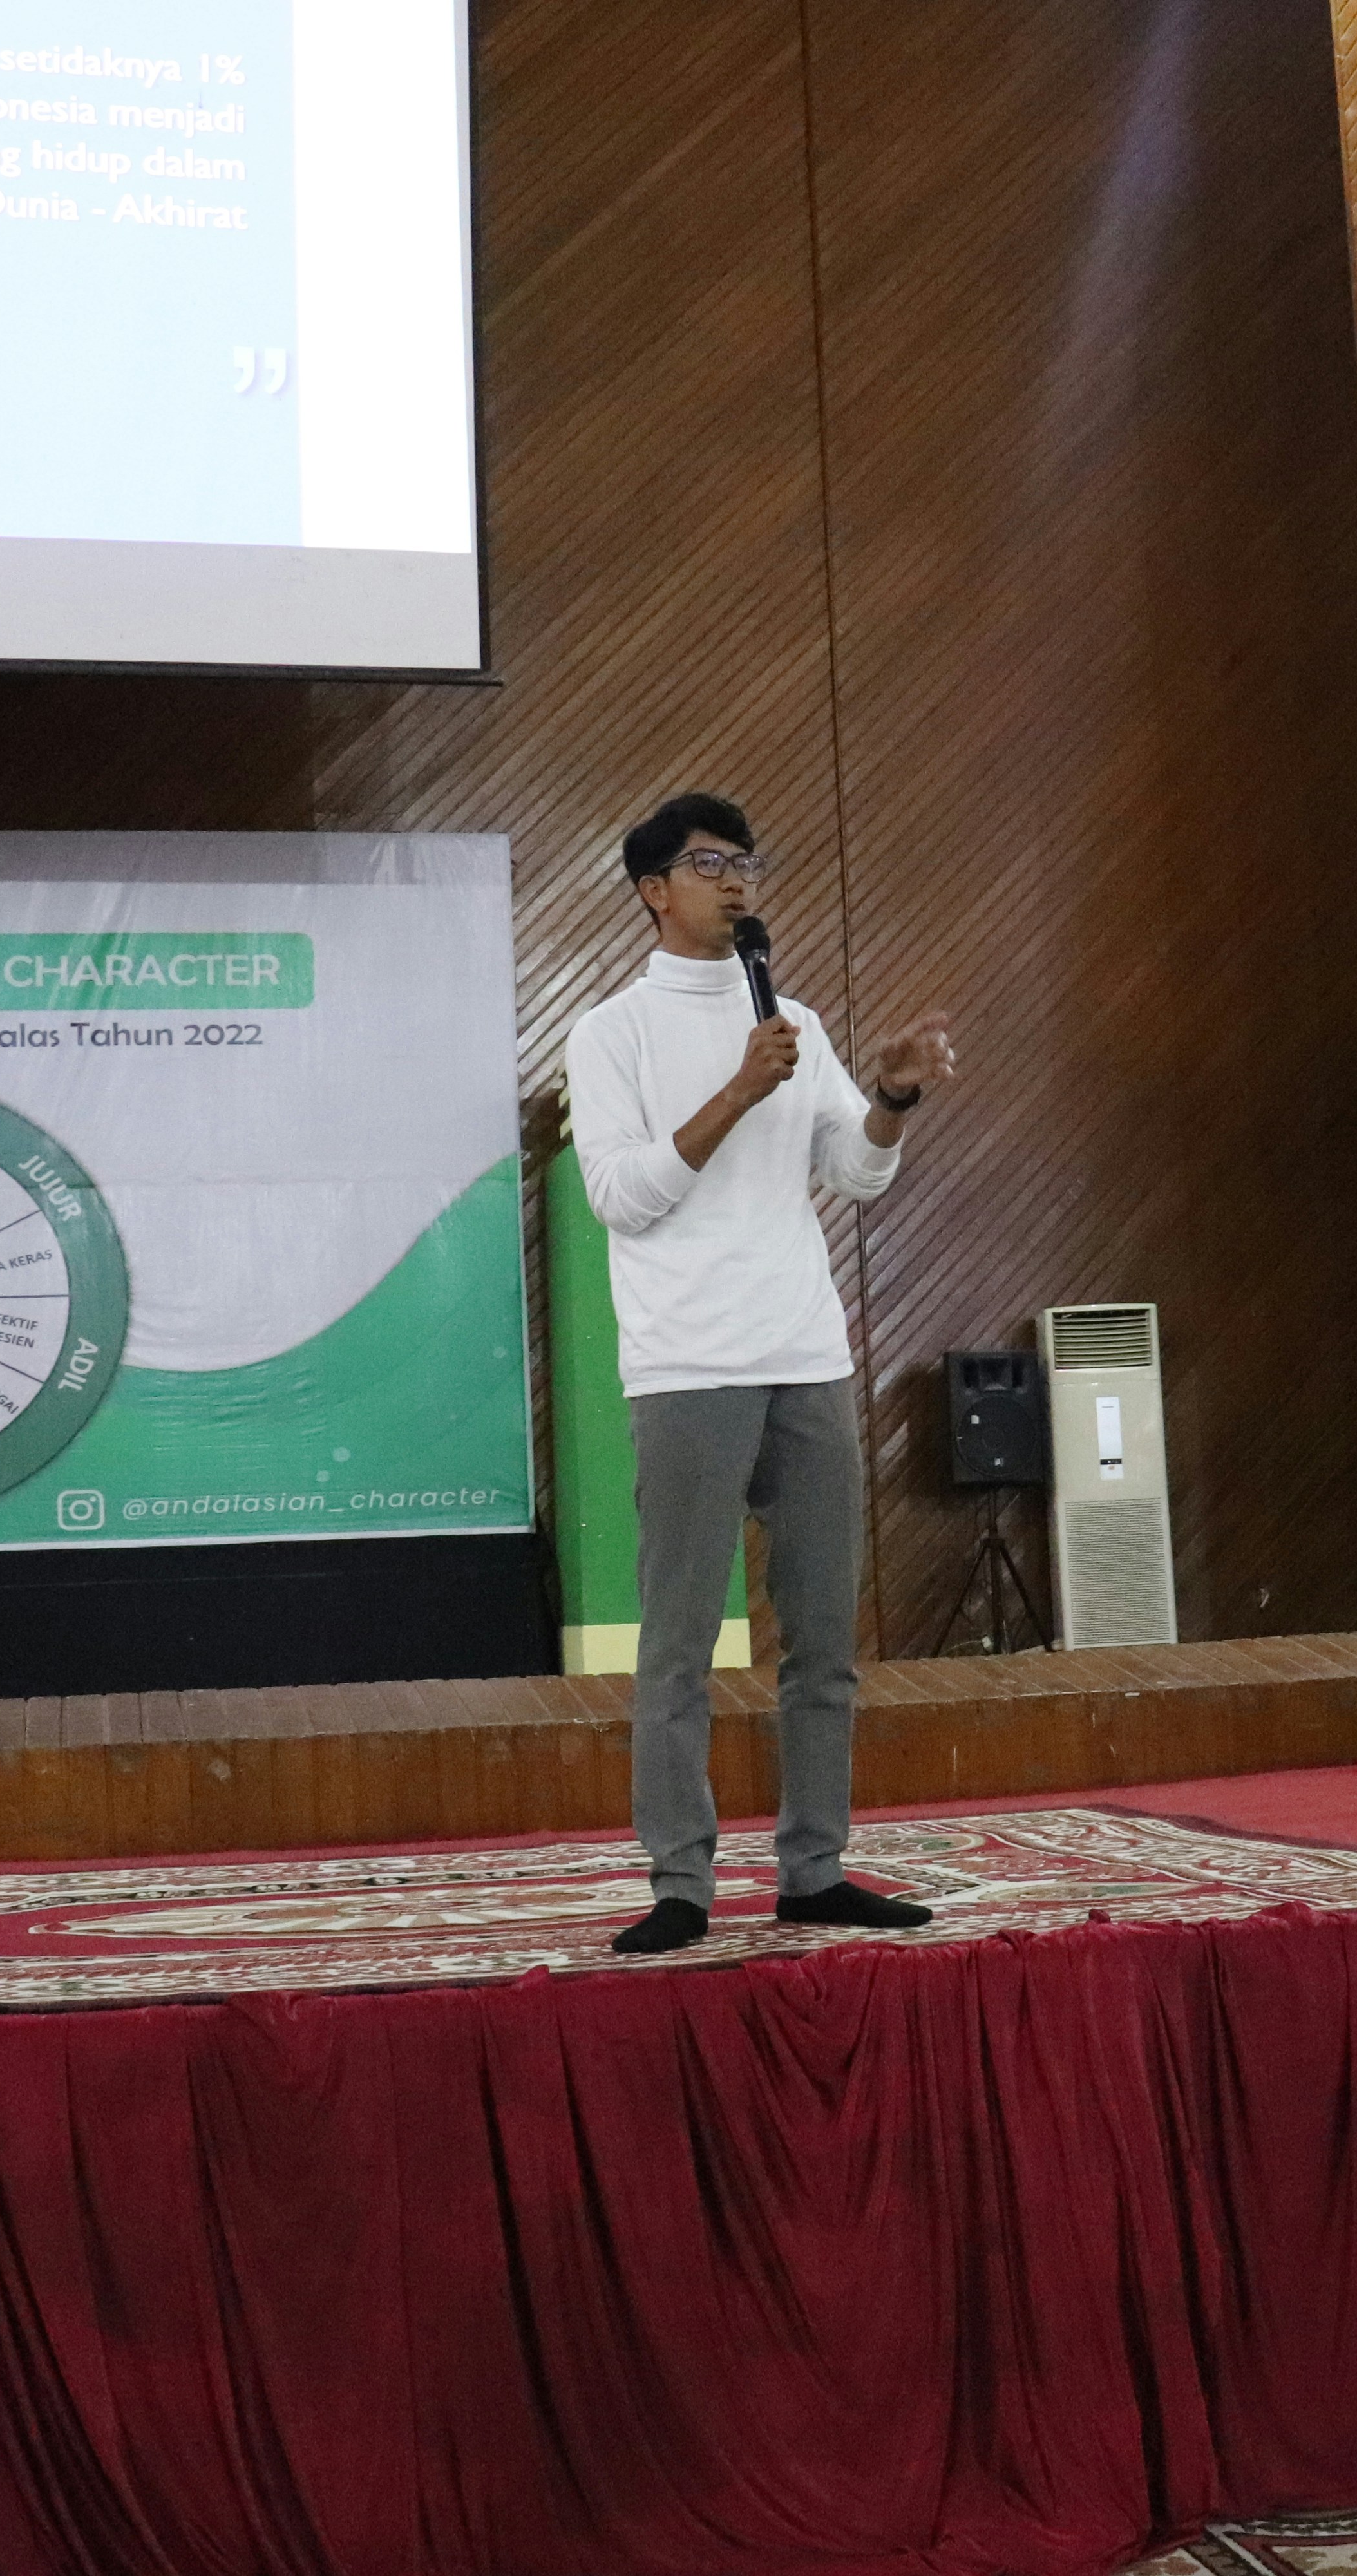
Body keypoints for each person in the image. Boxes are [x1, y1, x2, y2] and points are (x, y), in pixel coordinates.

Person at [564, 794, 960, 1956]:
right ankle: (681, 1884)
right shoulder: (613, 1033)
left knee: (825, 1640)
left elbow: (856, 1175)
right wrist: (738, 1090)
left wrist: (889, 1100)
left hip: (805, 1356)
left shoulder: (796, 1023)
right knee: (681, 1644)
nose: (739, 881)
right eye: (710, 864)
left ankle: (814, 1870)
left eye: (747, 863)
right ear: (653, 890)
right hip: (688, 1364)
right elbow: (620, 1197)